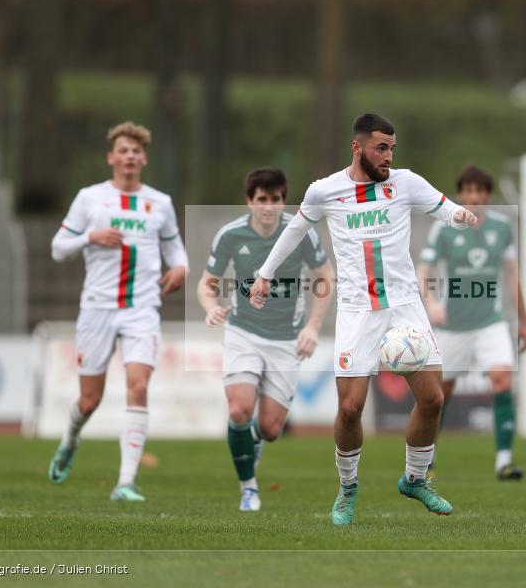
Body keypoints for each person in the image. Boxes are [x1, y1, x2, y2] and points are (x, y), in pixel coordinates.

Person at [249, 113, 478, 525]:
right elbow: (295, 231)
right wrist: (265, 274)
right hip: (358, 312)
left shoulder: (405, 182)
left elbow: (444, 208)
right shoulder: (325, 191)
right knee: (351, 408)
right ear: (357, 148)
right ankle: (348, 488)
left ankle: (414, 479)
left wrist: (461, 216)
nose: (388, 156)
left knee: (433, 398)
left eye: (392, 148)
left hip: (405, 307)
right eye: (381, 148)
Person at [48, 121, 188, 501]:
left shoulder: (159, 202)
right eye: (122, 150)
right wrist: (89, 236)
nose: (129, 156)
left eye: (135, 151)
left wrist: (180, 268)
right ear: (111, 157)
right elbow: (58, 247)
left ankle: (125, 482)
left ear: (143, 158)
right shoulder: (90, 198)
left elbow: (174, 248)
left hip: (142, 308)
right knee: (89, 400)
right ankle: (70, 439)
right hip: (97, 308)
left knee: (138, 386)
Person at [197, 168, 333, 511]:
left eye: (275, 200)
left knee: (272, 428)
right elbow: (207, 282)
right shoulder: (230, 235)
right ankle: (248, 488)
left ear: (283, 201)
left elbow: (325, 278)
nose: (269, 207)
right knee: (240, 409)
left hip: (286, 339)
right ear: (249, 201)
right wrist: (210, 306)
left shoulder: (301, 232)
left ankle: (252, 440)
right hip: (243, 333)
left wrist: (313, 327)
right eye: (261, 200)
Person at [416, 165, 526, 480]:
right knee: (439, 396)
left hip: (489, 322)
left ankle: (503, 461)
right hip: (452, 325)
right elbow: (423, 270)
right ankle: (427, 458)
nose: (474, 197)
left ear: (487, 194)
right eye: (468, 190)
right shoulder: (444, 227)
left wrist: (524, 320)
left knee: (503, 380)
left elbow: (511, 274)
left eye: (480, 191)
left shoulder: (502, 228)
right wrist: (431, 303)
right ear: (460, 193)